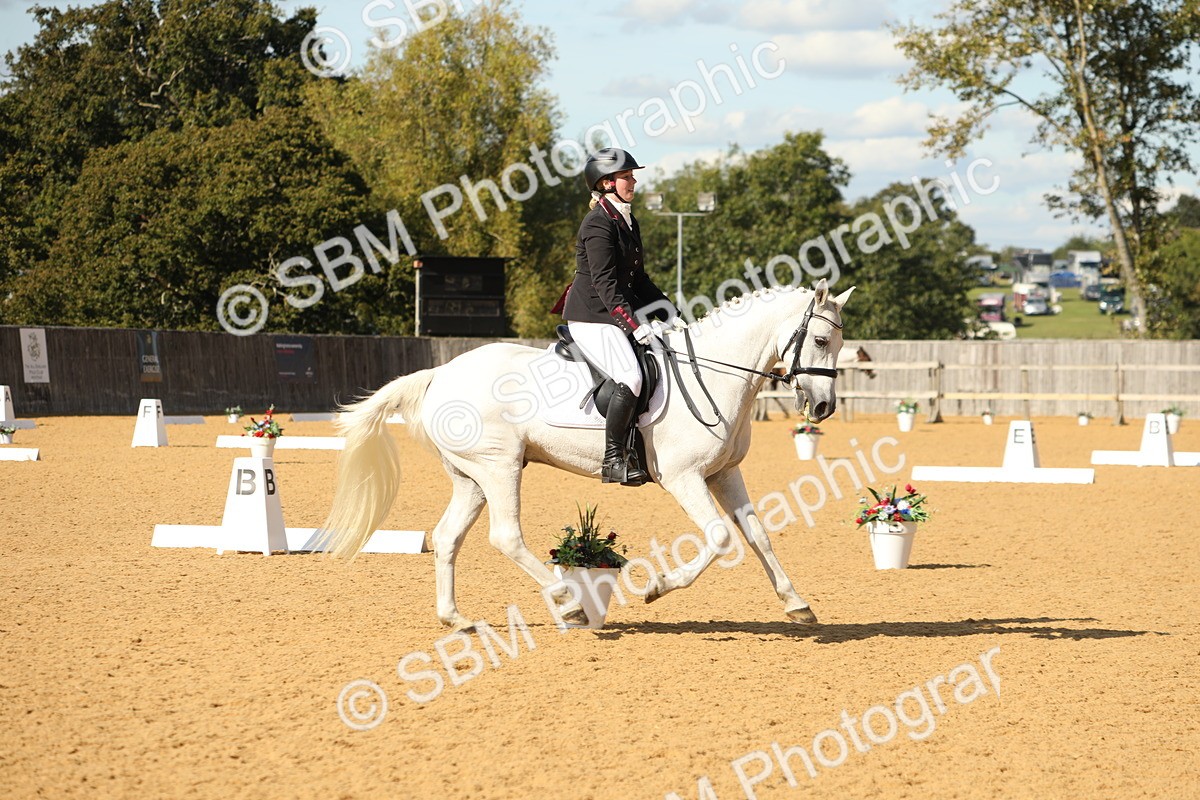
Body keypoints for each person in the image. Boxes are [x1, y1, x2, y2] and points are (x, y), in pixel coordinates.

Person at [560, 147, 678, 486]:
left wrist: (670, 312)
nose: (634, 181)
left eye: (631, 176)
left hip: (615, 314)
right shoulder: (597, 223)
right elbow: (605, 284)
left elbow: (638, 280)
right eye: (627, 177)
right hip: (593, 317)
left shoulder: (625, 219)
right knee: (632, 376)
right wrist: (635, 324)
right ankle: (613, 458)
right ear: (607, 183)